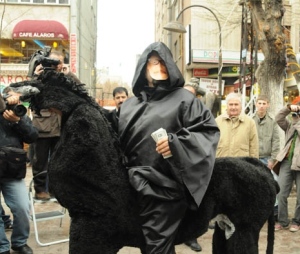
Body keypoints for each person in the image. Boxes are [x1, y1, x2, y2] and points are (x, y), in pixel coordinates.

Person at [118, 42, 220, 254]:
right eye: (153, 61)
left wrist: (176, 143)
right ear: (143, 66)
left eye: (163, 61)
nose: (158, 66)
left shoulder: (185, 100)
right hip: (127, 188)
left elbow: (207, 132)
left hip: (164, 189)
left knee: (155, 248)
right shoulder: (128, 105)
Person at [0, 88, 38, 254]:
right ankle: (2, 247)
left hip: (11, 169)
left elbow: (32, 136)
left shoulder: (13, 109)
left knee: (22, 207)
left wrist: (18, 120)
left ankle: (19, 242)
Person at [30, 50, 63, 200]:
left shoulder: (63, 78)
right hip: (42, 125)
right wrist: (36, 76)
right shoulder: (39, 76)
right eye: (54, 62)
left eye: (60, 62)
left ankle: (55, 189)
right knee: (40, 161)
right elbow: (30, 92)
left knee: (58, 162)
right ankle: (40, 189)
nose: (56, 65)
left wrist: (67, 74)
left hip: (59, 126)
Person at [252, 95, 280, 217]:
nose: (262, 106)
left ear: (268, 105)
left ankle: (274, 210)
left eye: (264, 103)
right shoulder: (250, 120)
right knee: (254, 185)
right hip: (254, 158)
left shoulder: (273, 121)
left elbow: (276, 141)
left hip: (268, 158)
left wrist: (272, 159)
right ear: (256, 104)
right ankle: (257, 210)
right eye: (260, 103)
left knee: (273, 184)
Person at [182, 84, 202, 252]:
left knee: (193, 204)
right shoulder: (170, 111)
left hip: (193, 167)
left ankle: (191, 236)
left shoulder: (201, 116)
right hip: (172, 167)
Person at [274, 102, 300, 232]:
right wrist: (289, 108)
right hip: (286, 161)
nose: (297, 115)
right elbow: (278, 118)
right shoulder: (290, 125)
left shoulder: (295, 124)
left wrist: (297, 122)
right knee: (281, 192)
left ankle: (297, 221)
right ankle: (283, 221)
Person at [215, 92, 259, 158]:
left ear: (241, 106)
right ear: (227, 105)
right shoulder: (217, 121)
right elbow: (211, 145)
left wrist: (254, 165)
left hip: (242, 165)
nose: (233, 107)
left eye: (236, 104)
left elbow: (254, 147)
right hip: (222, 164)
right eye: (231, 104)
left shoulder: (250, 122)